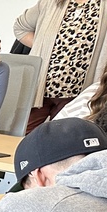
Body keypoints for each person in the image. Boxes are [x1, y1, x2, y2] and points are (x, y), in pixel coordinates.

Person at [15, 0, 107, 133]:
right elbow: (20, 28)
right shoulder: (50, 3)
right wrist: (42, 46)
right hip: (40, 90)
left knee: (61, 139)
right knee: (21, 135)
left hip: (77, 94)